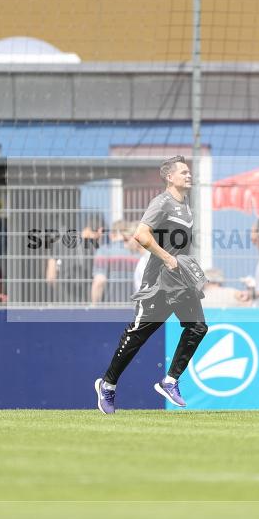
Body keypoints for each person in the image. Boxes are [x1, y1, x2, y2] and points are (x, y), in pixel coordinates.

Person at [95, 155, 208, 414]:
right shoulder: (161, 202)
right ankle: (107, 385)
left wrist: (189, 268)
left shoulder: (186, 204)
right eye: (183, 172)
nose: (188, 175)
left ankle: (170, 381)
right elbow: (141, 235)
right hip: (159, 283)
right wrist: (168, 258)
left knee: (198, 328)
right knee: (138, 336)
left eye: (189, 172)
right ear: (169, 177)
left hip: (180, 281)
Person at [46, 214, 105, 304]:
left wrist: (59, 291)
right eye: (99, 236)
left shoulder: (62, 242)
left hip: (63, 297)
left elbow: (51, 275)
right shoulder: (95, 249)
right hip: (85, 300)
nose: (99, 239)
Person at [91, 219, 142, 304]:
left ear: (112, 235)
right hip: (135, 309)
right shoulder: (138, 253)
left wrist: (94, 306)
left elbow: (99, 281)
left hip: (110, 309)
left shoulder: (104, 251)